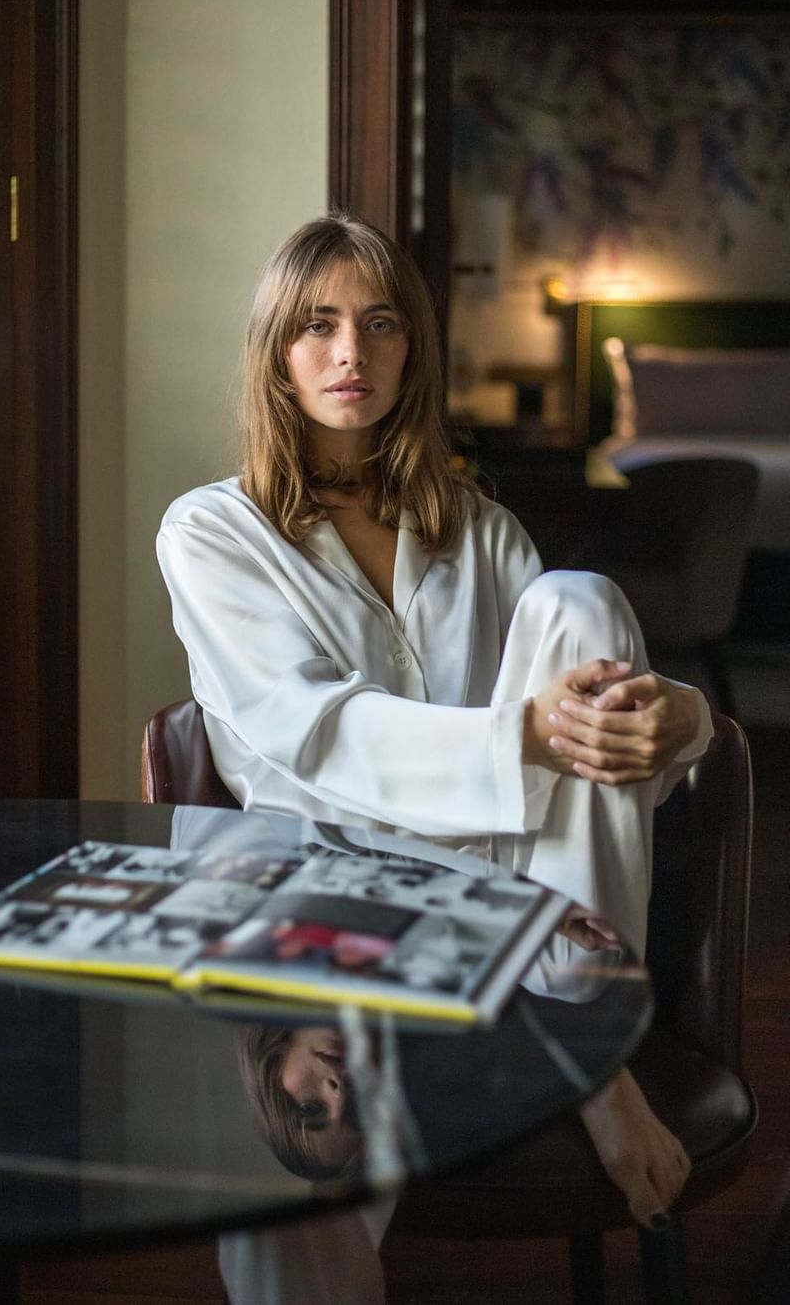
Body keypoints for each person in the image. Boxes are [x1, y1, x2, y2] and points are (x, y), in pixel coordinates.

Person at [157, 214, 704, 1294]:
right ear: (276, 350)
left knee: (581, 599)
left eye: (378, 325)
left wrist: (677, 718)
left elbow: (588, 710)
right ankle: (576, 1053)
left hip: (502, 900)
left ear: (413, 349)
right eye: (316, 327)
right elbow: (309, 731)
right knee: (292, 1157)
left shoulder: (483, 532)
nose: (349, 354)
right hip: (313, 899)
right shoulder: (210, 532)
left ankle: (577, 1020)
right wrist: (529, 735)